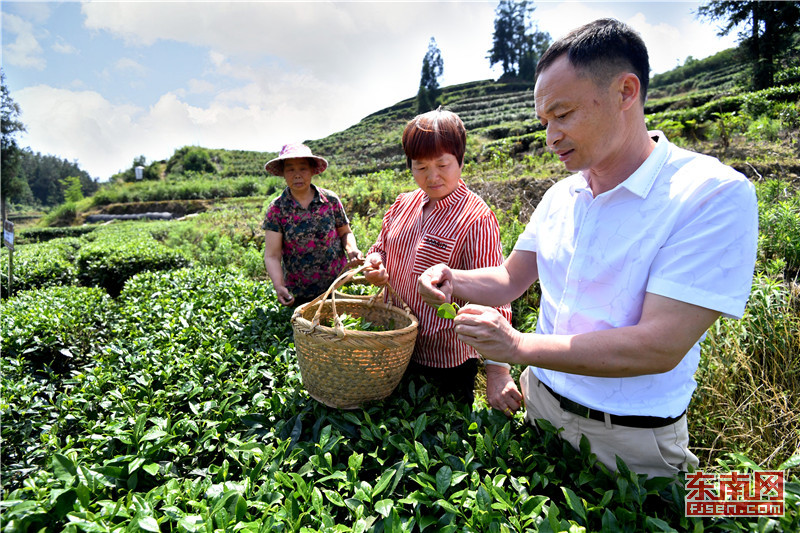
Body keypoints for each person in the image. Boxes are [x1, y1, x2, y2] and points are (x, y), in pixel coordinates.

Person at [417, 19, 758, 478]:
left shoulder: (709, 194)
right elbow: (510, 280)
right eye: (544, 122)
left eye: (563, 114)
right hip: (540, 405)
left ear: (625, 92)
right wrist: (453, 279)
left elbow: (658, 347)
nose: (550, 136)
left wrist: (517, 346)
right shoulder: (562, 196)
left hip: (629, 440)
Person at [363, 108, 512, 404]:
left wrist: (498, 370)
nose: (432, 177)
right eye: (420, 167)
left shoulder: (476, 218)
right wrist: (374, 263)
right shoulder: (403, 204)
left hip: (446, 360)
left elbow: (495, 294)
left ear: (460, 161)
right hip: (395, 344)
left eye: (443, 165)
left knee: (445, 440)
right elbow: (380, 247)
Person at [263, 143, 363, 306]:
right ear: (283, 173)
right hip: (300, 294)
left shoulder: (330, 200)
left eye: (302, 168)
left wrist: (352, 250)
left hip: (338, 286)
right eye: (290, 169)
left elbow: (345, 232)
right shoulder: (277, 209)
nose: (297, 175)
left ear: (311, 170)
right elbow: (272, 255)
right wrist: (279, 285)